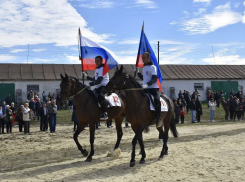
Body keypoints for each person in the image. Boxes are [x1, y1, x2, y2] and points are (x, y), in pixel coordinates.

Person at [136, 52, 162, 128]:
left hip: (153, 88)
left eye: (144, 58)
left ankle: (158, 118)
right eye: (142, 58)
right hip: (145, 89)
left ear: (148, 58)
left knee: (157, 100)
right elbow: (144, 79)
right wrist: (138, 73)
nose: (142, 59)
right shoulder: (144, 67)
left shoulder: (152, 67)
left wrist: (147, 84)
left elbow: (154, 79)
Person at [82, 55, 109, 120]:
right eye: (95, 61)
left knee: (100, 96)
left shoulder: (102, 68)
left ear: (101, 61)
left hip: (104, 86)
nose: (96, 62)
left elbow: (99, 81)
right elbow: (95, 79)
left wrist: (90, 84)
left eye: (98, 61)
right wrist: (86, 77)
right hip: (97, 87)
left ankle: (105, 113)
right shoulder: (97, 69)